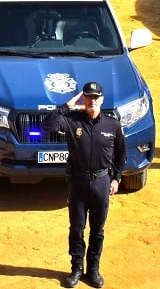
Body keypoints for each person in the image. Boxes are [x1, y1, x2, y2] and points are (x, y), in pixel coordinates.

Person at [43, 82, 126, 288]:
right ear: (84, 99)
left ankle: (94, 269)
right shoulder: (72, 121)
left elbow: (121, 153)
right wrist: (66, 106)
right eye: (88, 97)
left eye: (96, 97)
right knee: (77, 229)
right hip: (78, 183)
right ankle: (76, 269)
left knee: (97, 230)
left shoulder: (112, 125)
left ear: (102, 100)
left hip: (101, 183)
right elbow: (47, 126)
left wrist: (116, 178)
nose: (92, 101)